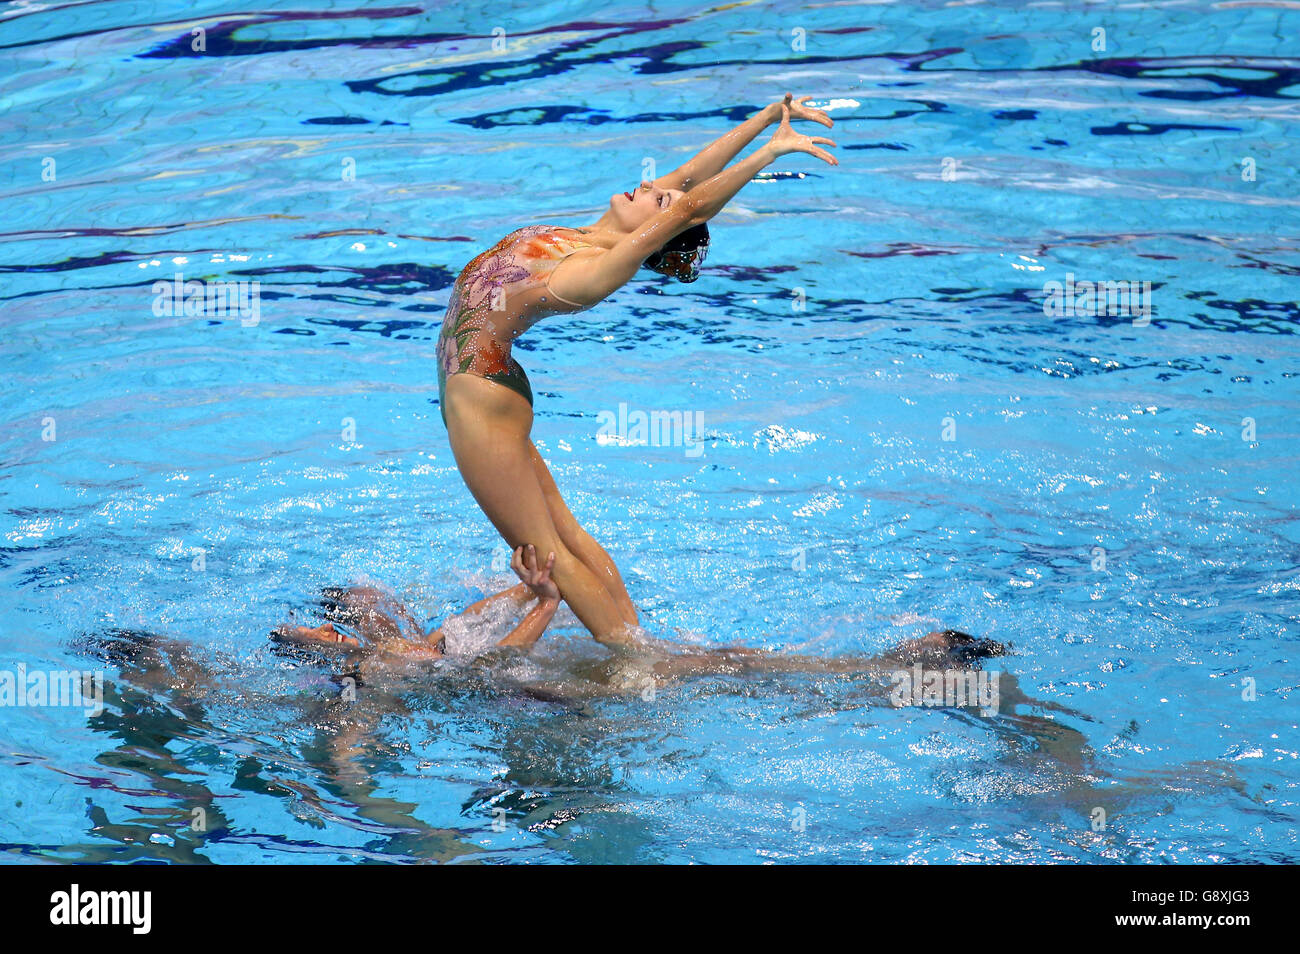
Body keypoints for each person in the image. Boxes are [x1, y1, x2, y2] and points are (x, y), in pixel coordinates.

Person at [435, 93, 839, 650]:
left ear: (652, 231)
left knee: (550, 557)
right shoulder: (587, 235)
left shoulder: (589, 270)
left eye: (657, 199)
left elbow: (687, 209)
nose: (649, 186)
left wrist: (768, 155)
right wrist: (767, 119)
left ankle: (633, 661)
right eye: (652, 186)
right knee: (567, 537)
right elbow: (687, 182)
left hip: (481, 402)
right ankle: (632, 632)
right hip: (492, 388)